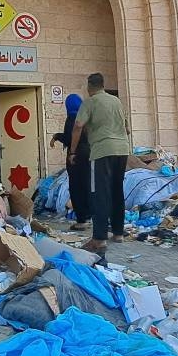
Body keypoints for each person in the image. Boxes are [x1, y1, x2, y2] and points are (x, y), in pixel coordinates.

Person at [69, 73, 130, 253]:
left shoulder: (90, 101)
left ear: (90, 86)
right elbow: (126, 128)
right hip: (122, 150)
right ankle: (118, 233)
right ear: (103, 84)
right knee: (117, 190)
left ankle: (99, 239)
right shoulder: (116, 101)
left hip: (103, 151)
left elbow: (78, 125)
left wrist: (73, 151)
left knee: (99, 193)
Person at [50, 94, 91, 231]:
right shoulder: (86, 117)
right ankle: (90, 216)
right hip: (89, 154)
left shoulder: (72, 118)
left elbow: (68, 138)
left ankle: (81, 220)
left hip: (77, 156)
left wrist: (56, 137)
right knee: (87, 185)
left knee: (76, 187)